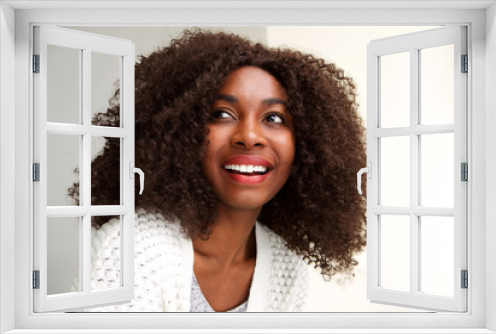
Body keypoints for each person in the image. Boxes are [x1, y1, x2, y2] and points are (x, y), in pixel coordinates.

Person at [71, 29, 366, 312]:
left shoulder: (285, 262)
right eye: (222, 114)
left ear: (306, 143)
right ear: (182, 133)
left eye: (274, 117)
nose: (250, 136)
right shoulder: (132, 251)